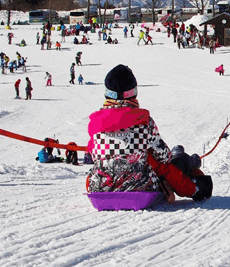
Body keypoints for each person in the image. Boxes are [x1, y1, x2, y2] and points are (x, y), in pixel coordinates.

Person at [86, 64, 212, 202]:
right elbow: (164, 157)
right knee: (163, 161)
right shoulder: (143, 122)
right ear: (133, 92)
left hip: (100, 189)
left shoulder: (96, 124)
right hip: (139, 188)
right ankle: (188, 166)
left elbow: (94, 154)